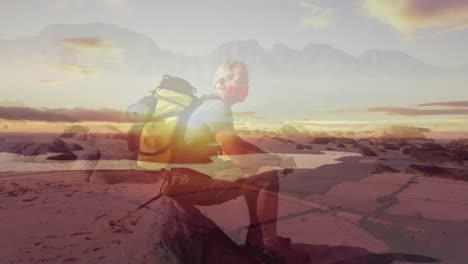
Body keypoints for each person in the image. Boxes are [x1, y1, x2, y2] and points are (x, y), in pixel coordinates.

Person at [169, 60, 309, 263]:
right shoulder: (216, 108)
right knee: (265, 175)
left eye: (247, 81)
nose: (245, 87)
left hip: (183, 176)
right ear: (221, 82)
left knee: (259, 169)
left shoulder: (210, 104)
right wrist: (275, 162)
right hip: (186, 182)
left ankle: (257, 237)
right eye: (240, 81)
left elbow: (237, 142)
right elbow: (236, 151)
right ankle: (270, 247)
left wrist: (275, 158)